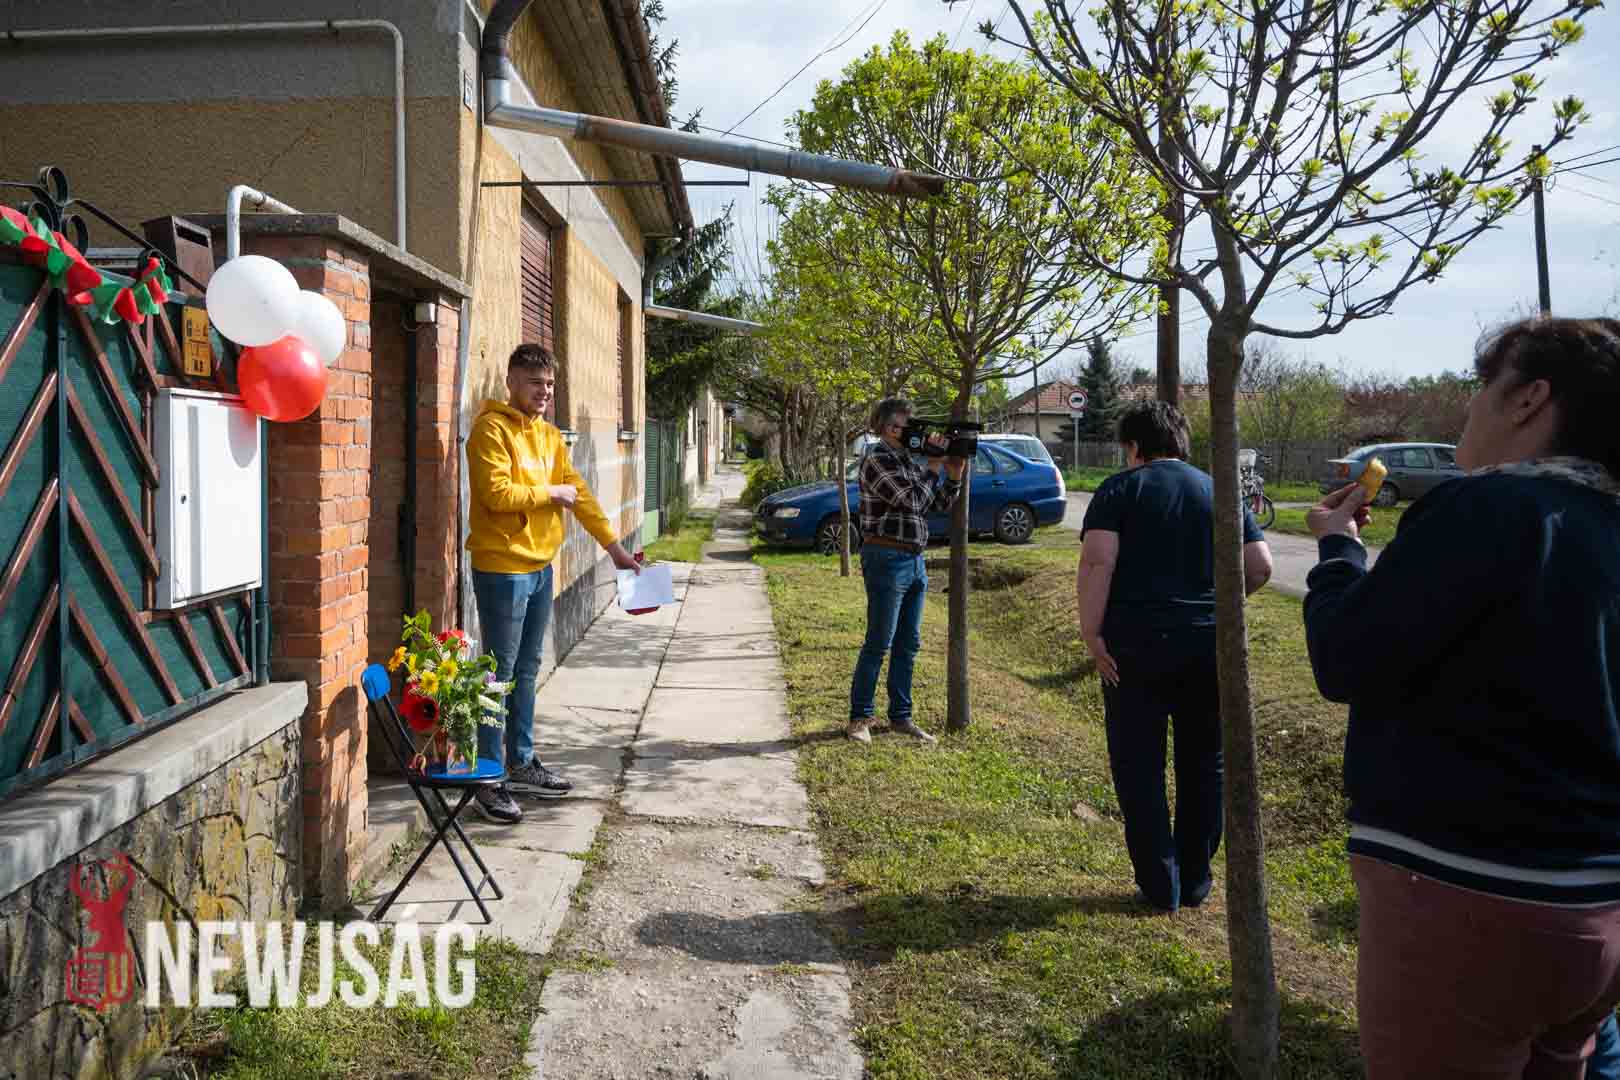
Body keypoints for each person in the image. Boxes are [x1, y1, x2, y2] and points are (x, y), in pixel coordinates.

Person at [1303, 316, 1620, 1077]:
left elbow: (1347, 658)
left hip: (1471, 896)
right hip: (1600, 912)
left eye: (1483, 385)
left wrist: (1338, 551)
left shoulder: (1485, 508)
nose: (1469, 407)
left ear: (1530, 398)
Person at [1077, 401, 1273, 913]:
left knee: (1138, 765)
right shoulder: (1219, 490)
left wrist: (1092, 633)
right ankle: (1195, 879)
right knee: (1204, 762)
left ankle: (1159, 882)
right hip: (1208, 647)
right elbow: (1259, 566)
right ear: (1181, 441)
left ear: (1133, 446)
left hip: (1133, 648)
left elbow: (1098, 562)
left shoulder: (1119, 490)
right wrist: (1219, 609)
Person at [466, 343, 641, 824]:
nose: (543, 391)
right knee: (495, 675)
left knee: (526, 670)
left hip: (541, 567)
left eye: (548, 384)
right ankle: (488, 777)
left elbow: (578, 495)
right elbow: (496, 493)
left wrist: (614, 549)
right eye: (534, 382)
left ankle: (521, 762)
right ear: (511, 382)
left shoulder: (547, 436)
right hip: (502, 568)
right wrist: (550, 492)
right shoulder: (490, 430)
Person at [848, 398, 966, 745]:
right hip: (885, 557)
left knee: (908, 644)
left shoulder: (908, 462)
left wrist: (954, 474)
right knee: (879, 641)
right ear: (888, 428)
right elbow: (912, 502)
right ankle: (859, 718)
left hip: (915, 561)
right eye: (906, 425)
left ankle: (901, 717)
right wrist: (933, 466)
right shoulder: (877, 459)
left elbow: (935, 504)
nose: (915, 432)